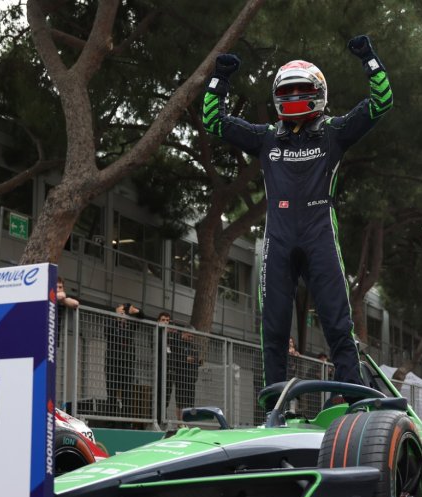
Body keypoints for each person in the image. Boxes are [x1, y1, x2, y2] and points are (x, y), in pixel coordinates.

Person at [202, 36, 393, 392]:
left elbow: (381, 103)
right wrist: (220, 78)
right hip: (278, 237)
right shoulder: (266, 138)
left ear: (318, 92)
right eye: (286, 91)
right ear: (276, 97)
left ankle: (354, 397)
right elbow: (214, 122)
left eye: (301, 90)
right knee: (273, 328)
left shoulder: (335, 132)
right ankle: (274, 405)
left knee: (337, 323)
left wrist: (369, 58)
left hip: (320, 233)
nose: (292, 97)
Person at [157, 312, 200, 424]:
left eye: (192, 337)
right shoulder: (177, 341)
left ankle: (187, 423)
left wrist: (196, 360)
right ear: (184, 333)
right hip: (180, 376)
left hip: (191, 378)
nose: (191, 338)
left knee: (190, 404)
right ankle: (179, 423)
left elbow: (196, 359)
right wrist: (186, 358)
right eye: (189, 336)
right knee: (179, 402)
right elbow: (178, 355)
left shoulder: (193, 347)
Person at [104, 303, 142, 417]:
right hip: (113, 364)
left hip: (127, 364)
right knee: (111, 393)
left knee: (127, 393)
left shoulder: (130, 326)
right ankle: (110, 420)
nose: (122, 314)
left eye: (124, 312)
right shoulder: (111, 323)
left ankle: (126, 421)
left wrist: (135, 311)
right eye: (120, 312)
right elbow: (106, 332)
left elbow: (142, 317)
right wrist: (117, 319)